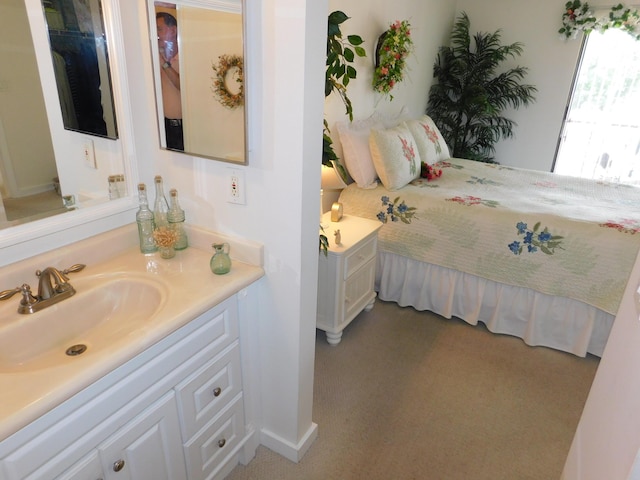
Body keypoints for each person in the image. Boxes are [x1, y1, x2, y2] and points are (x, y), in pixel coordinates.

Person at [156, 12, 184, 151]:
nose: (157, 34)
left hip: (183, 128)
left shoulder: (185, 56)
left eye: (159, 29)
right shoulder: (157, 55)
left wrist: (163, 63)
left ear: (173, 30)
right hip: (163, 125)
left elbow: (182, 86)